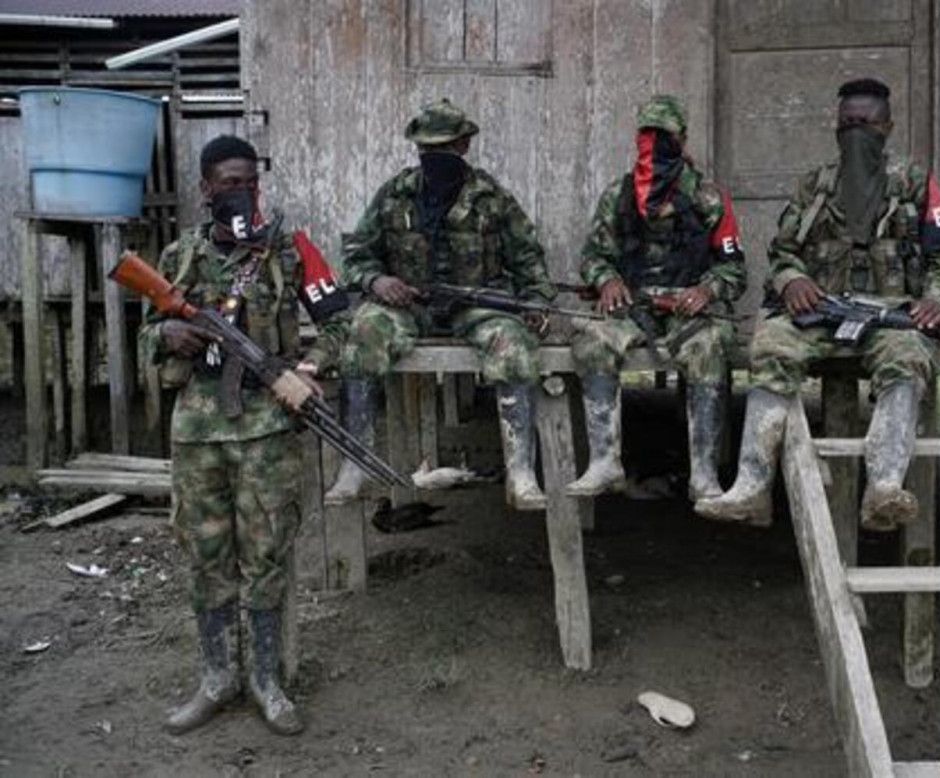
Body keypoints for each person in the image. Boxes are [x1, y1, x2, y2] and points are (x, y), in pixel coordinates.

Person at [140, 135, 350, 735]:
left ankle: (265, 680)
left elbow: (341, 323)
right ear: (206, 188)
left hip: (267, 431)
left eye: (250, 182)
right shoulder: (179, 256)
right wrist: (166, 338)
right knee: (206, 556)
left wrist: (312, 366)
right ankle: (215, 679)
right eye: (229, 183)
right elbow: (143, 335)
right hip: (197, 434)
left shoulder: (290, 250)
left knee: (266, 555)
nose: (241, 192)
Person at [696, 78, 940, 527]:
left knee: (907, 357)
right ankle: (750, 486)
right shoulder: (815, 186)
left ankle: (883, 487)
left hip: (890, 315)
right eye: (846, 124)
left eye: (865, 123)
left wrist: (938, 301)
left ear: (888, 127)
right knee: (770, 346)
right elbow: (781, 253)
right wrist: (792, 281)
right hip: (822, 311)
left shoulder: (915, 185)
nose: (855, 132)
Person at [327, 98, 555, 511]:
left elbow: (527, 256)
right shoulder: (396, 194)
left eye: (446, 148)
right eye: (428, 150)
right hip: (408, 304)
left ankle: (520, 471)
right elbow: (358, 252)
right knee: (361, 336)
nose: (436, 157)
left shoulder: (491, 198)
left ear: (464, 145)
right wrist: (377, 280)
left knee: (514, 344)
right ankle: (353, 466)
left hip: (475, 305)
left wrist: (537, 302)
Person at [567, 94, 746, 502]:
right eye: (647, 136)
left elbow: (735, 269)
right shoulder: (620, 194)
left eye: (663, 137)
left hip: (687, 311)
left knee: (708, 345)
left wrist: (707, 290)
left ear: (682, 140)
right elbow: (593, 256)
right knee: (591, 337)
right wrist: (607, 279)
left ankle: (703, 473)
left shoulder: (707, 198)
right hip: (632, 306)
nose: (654, 145)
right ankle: (605, 462)